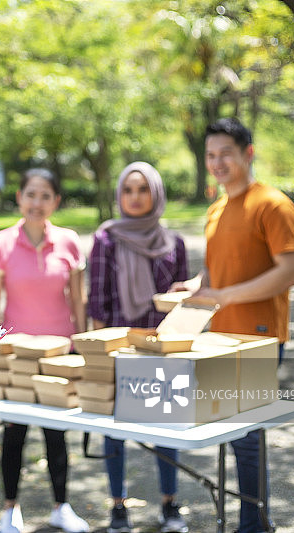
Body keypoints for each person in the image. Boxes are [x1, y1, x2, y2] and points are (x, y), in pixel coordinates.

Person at [171, 117, 294, 533]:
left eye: (225, 153)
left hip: (260, 338)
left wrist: (223, 296)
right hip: (221, 337)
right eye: (210, 155)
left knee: (246, 439)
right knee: (231, 433)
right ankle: (248, 520)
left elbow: (290, 271)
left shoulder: (273, 204)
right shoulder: (215, 210)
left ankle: (254, 525)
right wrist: (193, 287)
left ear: (248, 152)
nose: (217, 162)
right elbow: (215, 272)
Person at [0, 168, 89, 533]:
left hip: (59, 353)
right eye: (31, 194)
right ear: (19, 196)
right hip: (16, 356)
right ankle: (9, 509)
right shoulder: (0, 243)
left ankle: (62, 506)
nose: (37, 202)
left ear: (56, 201)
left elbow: (78, 300)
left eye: (46, 196)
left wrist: (81, 345)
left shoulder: (69, 241)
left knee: (56, 433)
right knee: (14, 434)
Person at [87, 162, 189, 533]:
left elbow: (182, 304)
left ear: (156, 194)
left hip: (160, 348)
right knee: (114, 429)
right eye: (128, 189)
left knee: (166, 427)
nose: (134, 197)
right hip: (118, 346)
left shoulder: (173, 242)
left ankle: (170, 505)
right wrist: (102, 356)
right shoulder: (106, 239)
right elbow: (97, 302)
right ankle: (118, 507)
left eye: (142, 189)